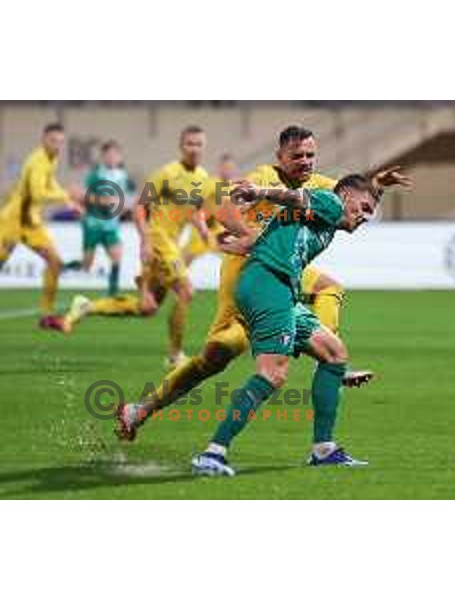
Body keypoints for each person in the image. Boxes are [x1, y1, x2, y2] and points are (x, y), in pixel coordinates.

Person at [115, 126, 412, 442]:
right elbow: (222, 206)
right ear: (280, 157)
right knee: (214, 358)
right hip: (245, 272)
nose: (306, 161)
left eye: (310, 154)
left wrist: (377, 185)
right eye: (297, 156)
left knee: (329, 288)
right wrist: (246, 234)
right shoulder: (263, 176)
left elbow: (352, 199)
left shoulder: (317, 183)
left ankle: (327, 361)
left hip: (280, 275)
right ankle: (143, 411)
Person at [124, 175, 380, 475]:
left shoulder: (325, 222)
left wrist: (248, 240)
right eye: (363, 207)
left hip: (278, 289)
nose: (364, 216)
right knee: (272, 374)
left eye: (370, 212)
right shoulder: (332, 202)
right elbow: (295, 197)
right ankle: (213, 453)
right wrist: (260, 192)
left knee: (333, 353)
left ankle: (324, 450)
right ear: (346, 195)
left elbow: (276, 227)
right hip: (267, 284)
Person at [59, 126, 214, 367]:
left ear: (204, 147)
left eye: (198, 144)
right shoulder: (165, 174)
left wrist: (202, 227)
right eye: (189, 144)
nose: (194, 149)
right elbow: (140, 208)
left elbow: (192, 209)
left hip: (172, 244)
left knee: (146, 307)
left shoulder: (204, 178)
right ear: (180, 146)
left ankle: (86, 306)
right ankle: (175, 356)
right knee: (185, 290)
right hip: (159, 240)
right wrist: (146, 240)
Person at [0, 123, 82, 326]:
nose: (57, 145)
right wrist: (66, 194)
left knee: (54, 263)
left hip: (30, 222)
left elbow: (50, 183)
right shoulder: (37, 161)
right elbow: (38, 193)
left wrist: (68, 201)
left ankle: (46, 315)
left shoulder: (51, 159)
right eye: (53, 141)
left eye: (61, 142)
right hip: (13, 220)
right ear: (43, 139)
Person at [81, 140, 135, 295]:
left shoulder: (122, 176)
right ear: (103, 157)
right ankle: (63, 267)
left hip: (111, 226)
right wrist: (106, 202)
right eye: (108, 154)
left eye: (115, 154)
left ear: (120, 157)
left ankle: (112, 293)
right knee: (86, 265)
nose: (112, 158)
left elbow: (124, 199)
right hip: (93, 224)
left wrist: (125, 206)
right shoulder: (96, 175)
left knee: (117, 257)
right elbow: (87, 197)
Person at [181, 153, 236, 266]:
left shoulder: (233, 187)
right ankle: (168, 278)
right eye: (225, 167)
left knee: (233, 257)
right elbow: (194, 203)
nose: (228, 171)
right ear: (219, 168)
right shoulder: (210, 183)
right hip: (202, 230)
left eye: (230, 168)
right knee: (185, 259)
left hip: (219, 231)